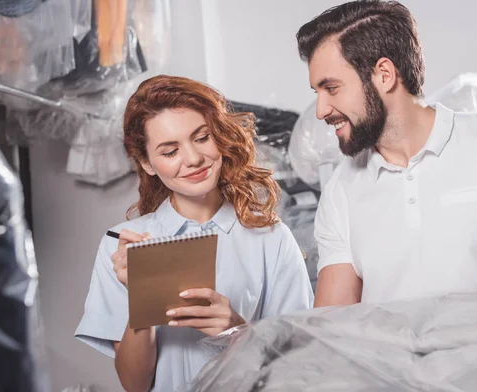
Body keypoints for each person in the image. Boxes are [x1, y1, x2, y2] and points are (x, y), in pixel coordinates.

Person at [296, 0, 477, 307]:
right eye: (317, 93)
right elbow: (331, 327)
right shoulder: (342, 188)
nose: (321, 110)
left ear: (384, 74)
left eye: (332, 88)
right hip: (392, 357)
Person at [75, 75, 314, 392]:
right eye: (170, 151)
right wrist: (142, 299)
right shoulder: (122, 246)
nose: (193, 159)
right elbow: (135, 384)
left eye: (201, 138)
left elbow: (300, 366)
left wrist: (237, 330)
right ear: (147, 163)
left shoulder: (271, 237)